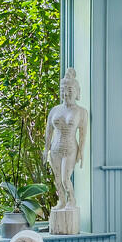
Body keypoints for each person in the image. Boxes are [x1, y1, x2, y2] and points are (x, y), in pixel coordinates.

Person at [45, 68, 89, 210]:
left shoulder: (81, 112)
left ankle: (71, 199)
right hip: (55, 149)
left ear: (77, 91)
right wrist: (46, 149)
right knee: (57, 179)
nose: (66, 93)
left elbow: (83, 134)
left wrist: (81, 152)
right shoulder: (55, 110)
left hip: (70, 148)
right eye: (63, 90)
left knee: (65, 179)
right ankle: (62, 200)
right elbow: (48, 131)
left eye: (69, 90)